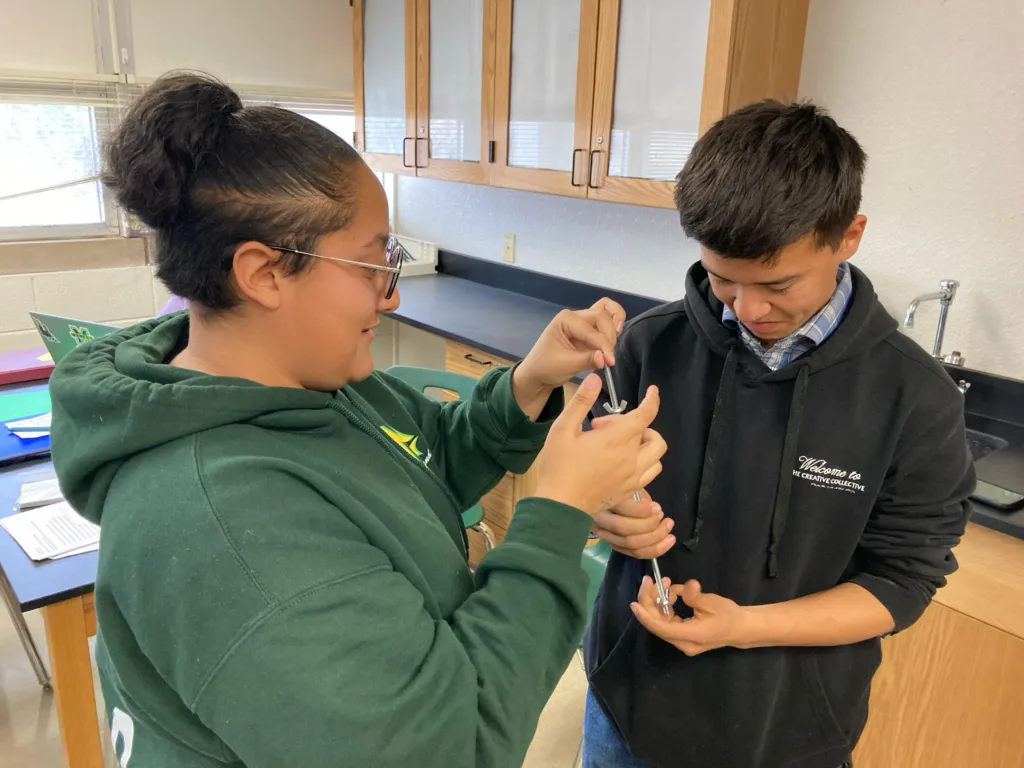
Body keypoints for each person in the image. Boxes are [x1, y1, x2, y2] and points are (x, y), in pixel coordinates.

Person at [47, 73, 668, 768]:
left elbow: (426, 461)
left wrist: (530, 381)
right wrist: (559, 511)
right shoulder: (221, 521)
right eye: (373, 264)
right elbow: (447, 750)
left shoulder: (312, 385)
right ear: (263, 273)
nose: (391, 293)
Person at [582, 100, 975, 768]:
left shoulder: (915, 396)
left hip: (791, 732)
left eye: (777, 283)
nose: (748, 308)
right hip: (629, 703)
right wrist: (601, 510)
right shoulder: (645, 348)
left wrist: (746, 628)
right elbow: (584, 482)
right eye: (722, 279)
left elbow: (903, 582)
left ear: (848, 236)